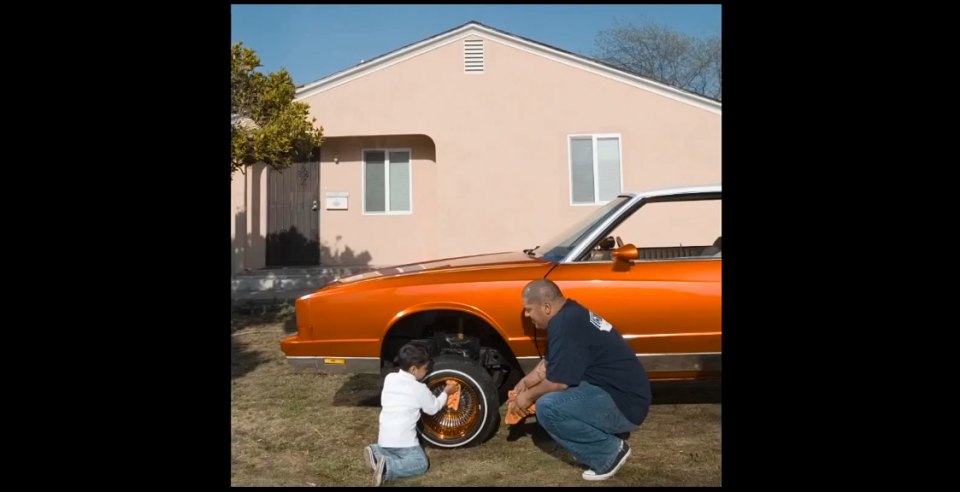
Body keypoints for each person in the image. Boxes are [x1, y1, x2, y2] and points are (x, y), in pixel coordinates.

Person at [514, 279, 652, 481]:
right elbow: (550, 362)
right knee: (550, 396)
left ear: (546, 307)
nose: (527, 315)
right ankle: (606, 437)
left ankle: (608, 453)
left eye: (528, 309)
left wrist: (526, 397)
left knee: (548, 407)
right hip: (623, 394)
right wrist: (528, 381)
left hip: (626, 405)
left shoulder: (565, 325)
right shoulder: (570, 314)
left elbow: (558, 382)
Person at [363, 343, 460, 486]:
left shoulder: (390, 378)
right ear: (414, 369)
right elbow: (433, 408)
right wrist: (446, 392)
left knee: (391, 452)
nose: (427, 372)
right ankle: (386, 469)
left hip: (384, 439)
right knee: (420, 464)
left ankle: (376, 451)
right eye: (425, 369)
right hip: (405, 443)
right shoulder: (419, 388)